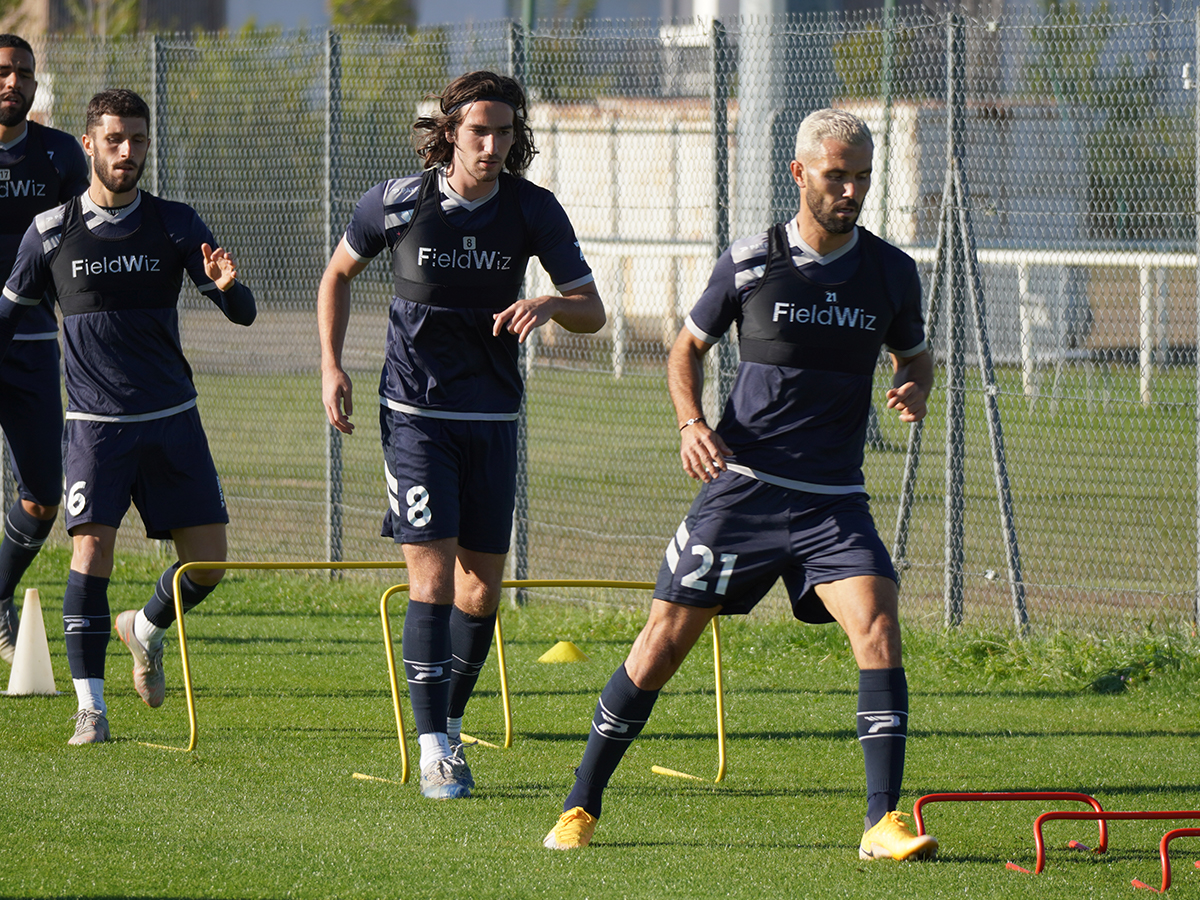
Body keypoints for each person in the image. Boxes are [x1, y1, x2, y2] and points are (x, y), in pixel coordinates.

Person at [543, 108, 938, 861]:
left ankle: (881, 823)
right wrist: (691, 424)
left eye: (861, 176)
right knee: (660, 647)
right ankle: (580, 804)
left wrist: (915, 384)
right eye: (836, 176)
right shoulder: (752, 262)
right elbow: (684, 349)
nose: (850, 190)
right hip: (745, 488)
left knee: (879, 628)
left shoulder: (891, 272)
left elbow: (916, 357)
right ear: (799, 174)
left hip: (833, 501)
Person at [318, 70, 604, 800]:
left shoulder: (532, 209)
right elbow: (337, 276)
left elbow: (591, 310)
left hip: (493, 418)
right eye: (481, 131)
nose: (493, 144)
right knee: (434, 578)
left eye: (506, 132)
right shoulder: (398, 201)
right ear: (449, 132)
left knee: (481, 593)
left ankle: (445, 717)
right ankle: (434, 747)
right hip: (415, 416)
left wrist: (547, 305)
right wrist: (331, 366)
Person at [0, 88, 256, 744]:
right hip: (94, 427)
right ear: (88, 144)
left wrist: (230, 288)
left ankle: (141, 630)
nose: (127, 152)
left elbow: (243, 312)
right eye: (114, 139)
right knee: (90, 554)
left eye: (137, 140)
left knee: (208, 566)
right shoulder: (51, 231)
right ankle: (91, 709)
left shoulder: (176, 224)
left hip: (173, 420)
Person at [0, 34, 90, 663]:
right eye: (3, 71)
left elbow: (88, 244)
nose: (14, 82)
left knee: (43, 495)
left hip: (28, 343)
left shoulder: (59, 156)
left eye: (24, 73)